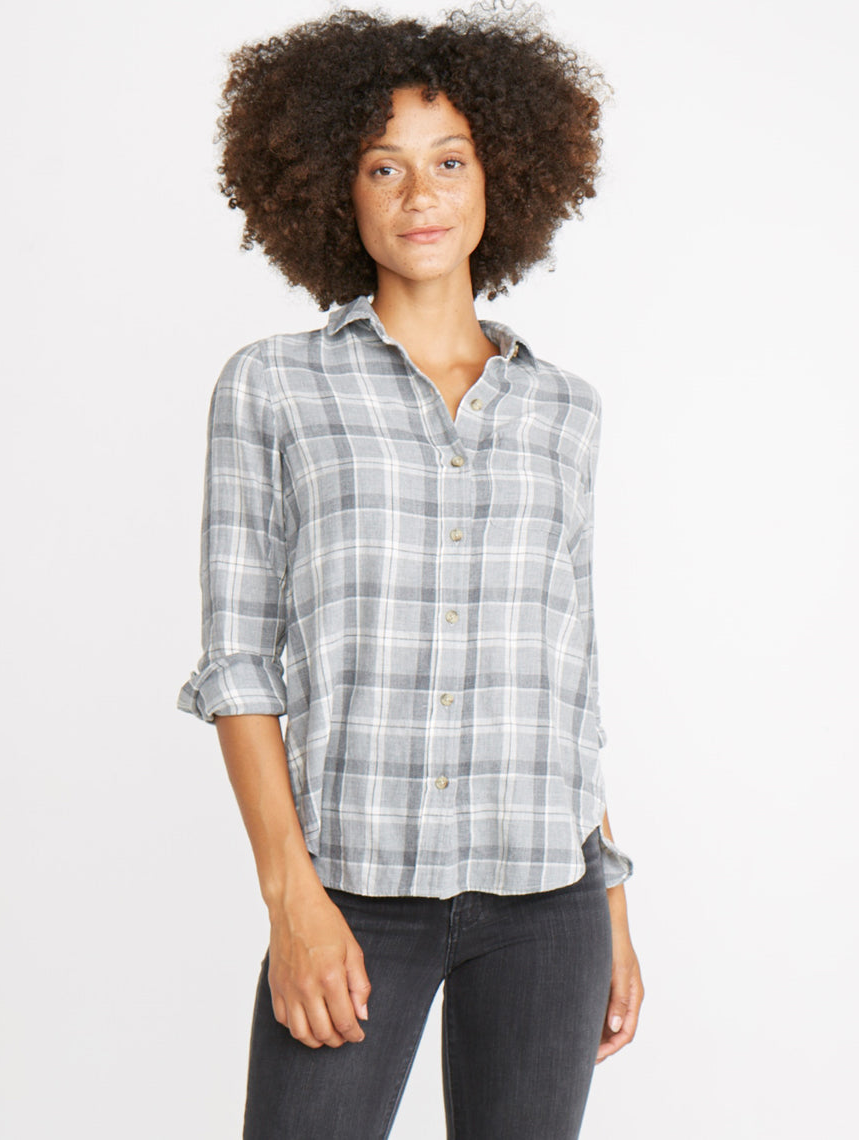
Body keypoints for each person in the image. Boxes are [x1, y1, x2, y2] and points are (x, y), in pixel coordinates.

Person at [177, 5, 644, 1137]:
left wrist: (614, 905)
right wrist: (291, 898)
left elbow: (566, 675)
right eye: (383, 166)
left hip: (549, 901)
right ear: (334, 189)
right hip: (352, 895)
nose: (419, 194)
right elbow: (238, 663)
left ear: (501, 178)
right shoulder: (272, 386)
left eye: (450, 161)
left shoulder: (564, 410)